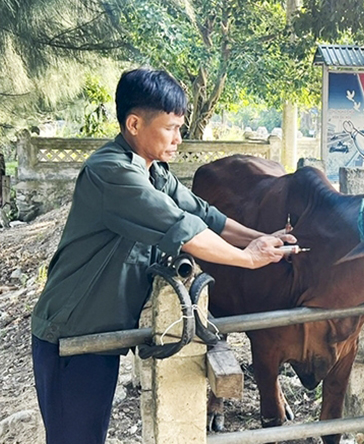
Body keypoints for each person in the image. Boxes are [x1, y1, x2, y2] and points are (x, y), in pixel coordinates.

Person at [31, 68, 295, 444]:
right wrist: (249, 258)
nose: (178, 138)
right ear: (134, 123)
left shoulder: (153, 171)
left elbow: (203, 215)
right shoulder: (112, 173)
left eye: (180, 127)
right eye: (170, 127)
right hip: (71, 334)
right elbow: (183, 230)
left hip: (99, 332)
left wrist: (262, 237)